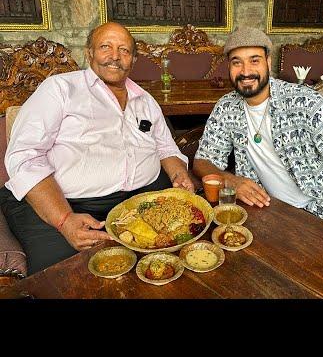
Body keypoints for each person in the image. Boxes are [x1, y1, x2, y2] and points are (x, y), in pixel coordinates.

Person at [0, 22, 193, 275]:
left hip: (136, 202)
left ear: (133, 59)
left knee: (175, 263)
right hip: (64, 204)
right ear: (89, 52)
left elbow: (166, 148)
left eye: (124, 50)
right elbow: (25, 157)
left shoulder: (146, 101)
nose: (115, 56)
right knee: (68, 278)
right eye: (106, 47)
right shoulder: (60, 89)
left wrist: (179, 175)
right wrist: (64, 220)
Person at [193, 27, 323, 247]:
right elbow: (202, 161)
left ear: (268, 61)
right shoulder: (226, 108)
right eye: (237, 62)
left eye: (254, 60)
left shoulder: (302, 101)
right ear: (229, 66)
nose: (246, 71)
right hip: (273, 208)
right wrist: (231, 179)